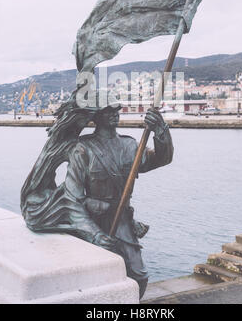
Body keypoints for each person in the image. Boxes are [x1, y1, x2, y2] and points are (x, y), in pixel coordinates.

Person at [21, 97, 173, 299]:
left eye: (116, 109)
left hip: (121, 220)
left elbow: (162, 158)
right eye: (108, 111)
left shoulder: (130, 146)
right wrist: (93, 234)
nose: (114, 114)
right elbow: (72, 199)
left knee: (139, 275)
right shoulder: (83, 148)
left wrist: (160, 130)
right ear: (96, 116)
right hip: (91, 219)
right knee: (93, 276)